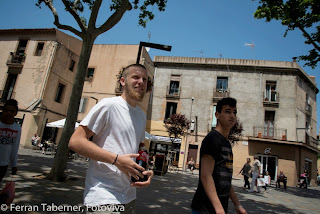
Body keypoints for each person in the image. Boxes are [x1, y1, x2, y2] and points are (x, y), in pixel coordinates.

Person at [69, 64, 153, 213]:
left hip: (129, 197)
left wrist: (145, 171)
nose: (141, 82)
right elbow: (76, 141)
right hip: (103, 196)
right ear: (123, 81)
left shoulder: (141, 115)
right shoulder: (108, 105)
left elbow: (140, 149)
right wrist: (116, 160)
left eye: (145, 79)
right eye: (135, 77)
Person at [191, 97, 247, 214]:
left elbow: (225, 179)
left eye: (234, 112)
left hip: (218, 208)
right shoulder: (212, 139)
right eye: (227, 111)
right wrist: (218, 208)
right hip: (205, 208)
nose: (232, 116)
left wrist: (237, 205)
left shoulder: (226, 143)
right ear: (217, 114)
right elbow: (206, 176)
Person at [0, 99, 21, 183]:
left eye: (12, 111)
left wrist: (14, 165)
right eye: (6, 110)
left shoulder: (17, 128)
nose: (9, 113)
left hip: (3, 164)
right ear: (3, 110)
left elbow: (15, 148)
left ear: (15, 113)